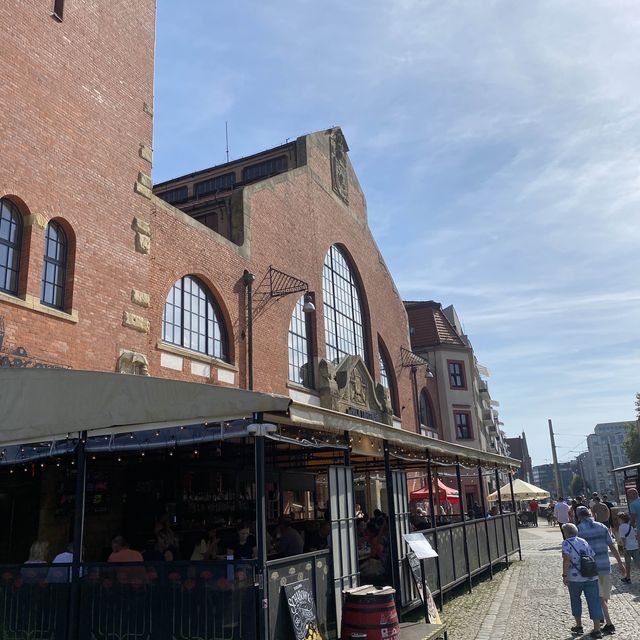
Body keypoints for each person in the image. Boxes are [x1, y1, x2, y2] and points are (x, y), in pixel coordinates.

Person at [576, 506, 626, 635]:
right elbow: (612, 546)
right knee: (603, 595)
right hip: (605, 565)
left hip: (591, 568)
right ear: (591, 514)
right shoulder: (602, 527)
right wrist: (620, 563)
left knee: (598, 597)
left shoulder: (579, 530)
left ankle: (608, 623)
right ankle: (603, 617)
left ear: (578, 516)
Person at [561, 523, 603, 638]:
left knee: (575, 600)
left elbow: (566, 560)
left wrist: (564, 575)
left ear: (565, 533)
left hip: (575, 578)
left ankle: (579, 625)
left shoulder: (566, 543)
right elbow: (591, 555)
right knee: (594, 601)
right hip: (590, 576)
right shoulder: (583, 541)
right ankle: (597, 628)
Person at [617, 512, 639, 583]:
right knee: (638, 563)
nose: (618, 520)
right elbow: (635, 536)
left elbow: (623, 539)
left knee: (627, 563)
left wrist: (624, 547)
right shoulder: (630, 526)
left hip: (628, 547)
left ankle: (628, 578)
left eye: (618, 519)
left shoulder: (621, 527)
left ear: (621, 519)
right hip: (635, 546)